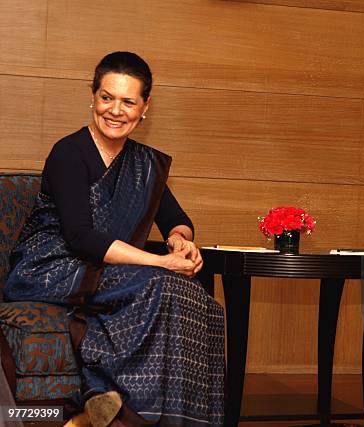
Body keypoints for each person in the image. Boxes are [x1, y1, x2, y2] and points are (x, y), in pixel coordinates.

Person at [5, 52, 224, 426]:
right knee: (162, 284)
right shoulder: (69, 153)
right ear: (92, 97)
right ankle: (126, 414)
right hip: (54, 265)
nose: (115, 111)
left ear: (144, 108)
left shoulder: (143, 162)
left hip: (106, 264)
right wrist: (159, 261)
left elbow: (176, 218)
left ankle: (169, 416)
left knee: (198, 297)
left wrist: (180, 240)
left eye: (128, 101)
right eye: (107, 97)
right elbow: (80, 237)